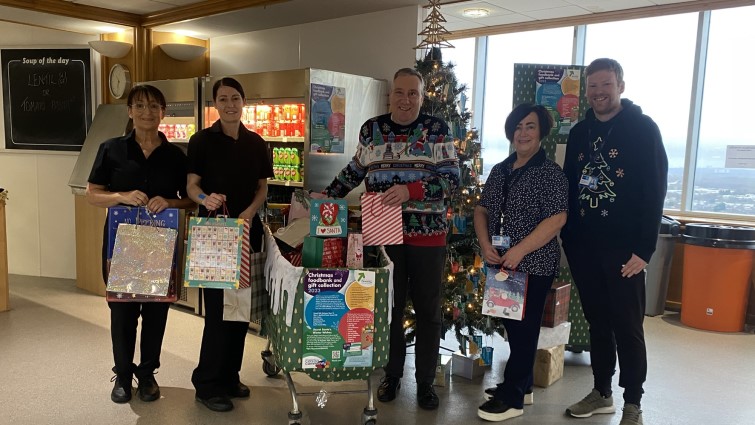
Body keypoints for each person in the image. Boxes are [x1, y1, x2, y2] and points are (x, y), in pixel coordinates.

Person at [323, 68, 460, 410]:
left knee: (428, 312)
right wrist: (326, 197)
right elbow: (354, 170)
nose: (405, 99)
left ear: (422, 96)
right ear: (390, 95)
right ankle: (392, 374)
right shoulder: (371, 130)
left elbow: (452, 181)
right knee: (388, 311)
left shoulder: (437, 131)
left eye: (413, 93)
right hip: (383, 238)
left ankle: (426, 383)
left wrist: (410, 190)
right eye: (400, 92)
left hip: (427, 238)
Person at [560, 58, 668, 425]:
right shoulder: (579, 133)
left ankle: (633, 403)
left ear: (620, 85)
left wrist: (645, 250)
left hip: (626, 251)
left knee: (627, 326)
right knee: (597, 323)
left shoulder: (642, 129)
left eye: (606, 84)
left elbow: (655, 192)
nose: (598, 92)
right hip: (584, 248)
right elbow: (569, 187)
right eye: (592, 86)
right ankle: (601, 392)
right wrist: (568, 238)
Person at [86, 84, 195, 403]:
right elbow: (92, 194)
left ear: (163, 112)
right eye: (140, 106)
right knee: (122, 310)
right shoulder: (111, 149)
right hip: (121, 242)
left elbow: (190, 199)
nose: (147, 112)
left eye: (154, 107)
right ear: (130, 111)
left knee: (156, 311)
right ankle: (122, 375)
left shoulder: (176, 155)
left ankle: (147, 375)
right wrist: (120, 196)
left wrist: (170, 203)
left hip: (161, 241)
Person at [473, 104, 568, 422]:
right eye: (518, 127)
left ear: (541, 131)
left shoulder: (550, 173)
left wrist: (520, 251)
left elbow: (557, 219)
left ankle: (512, 399)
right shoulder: (501, 169)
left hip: (534, 264)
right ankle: (523, 384)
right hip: (502, 264)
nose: (523, 133)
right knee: (514, 329)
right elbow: (482, 210)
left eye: (530, 126)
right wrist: (486, 244)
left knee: (525, 331)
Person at [186, 77, 274, 412]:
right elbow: (191, 186)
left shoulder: (255, 142)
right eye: (222, 99)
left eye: (235, 98)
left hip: (246, 232)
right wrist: (206, 199)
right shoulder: (201, 141)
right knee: (218, 314)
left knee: (240, 311)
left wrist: (250, 212)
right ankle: (206, 384)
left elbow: (262, 187)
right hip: (214, 237)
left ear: (243, 102)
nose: (229, 104)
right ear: (215, 104)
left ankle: (230, 376)